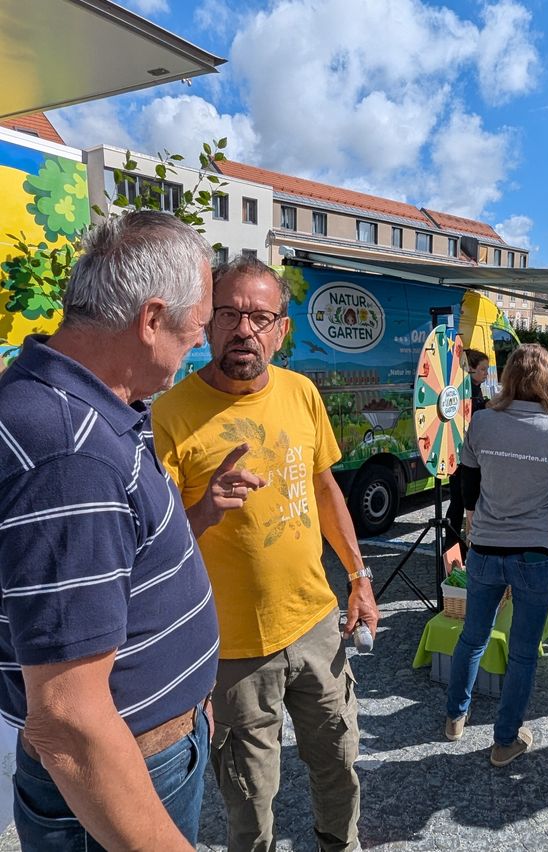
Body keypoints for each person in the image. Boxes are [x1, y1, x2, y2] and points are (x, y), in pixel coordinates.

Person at [0, 211, 219, 850]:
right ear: (151, 320)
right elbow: (68, 718)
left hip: (141, 752)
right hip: (123, 778)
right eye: (195, 331)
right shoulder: (72, 451)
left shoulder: (72, 402)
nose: (194, 352)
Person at [153, 255, 379, 852]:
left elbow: (326, 489)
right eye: (228, 313)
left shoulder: (302, 393)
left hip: (315, 626)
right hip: (232, 649)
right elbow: (153, 549)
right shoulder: (170, 416)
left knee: (338, 765)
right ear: (206, 324)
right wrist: (204, 509)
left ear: (281, 329)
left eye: (259, 316)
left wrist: (358, 575)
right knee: (249, 799)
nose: (243, 329)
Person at [444, 344, 548, 767]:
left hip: (486, 546)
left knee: (473, 635)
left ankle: (454, 716)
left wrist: (473, 523)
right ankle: (504, 740)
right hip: (537, 551)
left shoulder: (482, 422)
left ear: (509, 379)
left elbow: (466, 488)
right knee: (523, 650)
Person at [445, 349, 489, 555]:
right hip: (462, 455)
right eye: (482, 369)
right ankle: (452, 544)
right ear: (469, 369)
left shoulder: (476, 387)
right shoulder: (464, 390)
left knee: (464, 502)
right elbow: (465, 414)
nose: (485, 374)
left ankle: (460, 543)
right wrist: (485, 405)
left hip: (472, 453)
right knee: (459, 502)